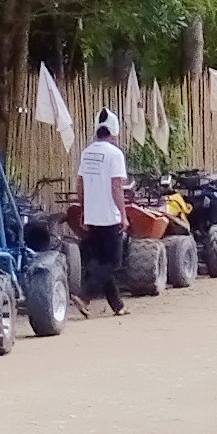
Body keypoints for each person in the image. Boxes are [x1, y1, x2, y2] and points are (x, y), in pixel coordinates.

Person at [75, 110, 131, 316]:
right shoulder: (115, 154)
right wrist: (123, 215)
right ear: (114, 132)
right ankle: (85, 296)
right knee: (112, 263)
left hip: (92, 215)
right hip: (109, 216)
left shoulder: (87, 152)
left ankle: (118, 306)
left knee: (102, 262)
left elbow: (80, 184)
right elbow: (116, 187)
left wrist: (84, 210)